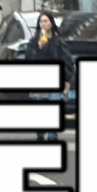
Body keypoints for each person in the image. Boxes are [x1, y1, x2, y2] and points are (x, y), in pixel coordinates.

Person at [25, 12, 75, 142]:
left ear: (51, 24)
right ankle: (40, 132)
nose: (43, 24)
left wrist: (67, 79)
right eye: (41, 21)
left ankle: (53, 135)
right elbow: (29, 60)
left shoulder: (58, 42)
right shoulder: (33, 42)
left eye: (46, 21)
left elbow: (66, 61)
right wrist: (39, 48)